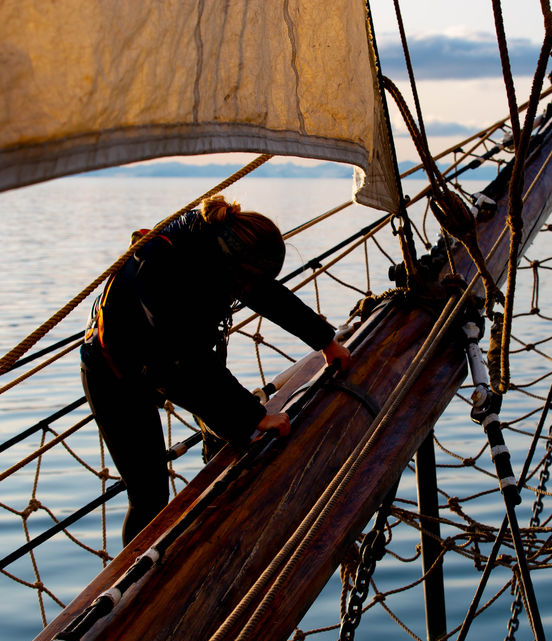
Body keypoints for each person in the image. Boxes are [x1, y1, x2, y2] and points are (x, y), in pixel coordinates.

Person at [80, 196, 351, 545]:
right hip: (115, 376)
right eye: (244, 284)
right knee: (149, 494)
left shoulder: (221, 250)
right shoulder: (161, 269)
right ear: (230, 267)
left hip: (166, 361)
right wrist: (255, 416)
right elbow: (188, 360)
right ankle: (132, 575)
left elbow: (267, 295)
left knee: (233, 441)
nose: (245, 292)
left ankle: (226, 535)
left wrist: (326, 342)